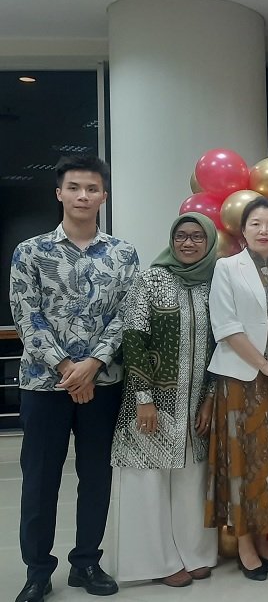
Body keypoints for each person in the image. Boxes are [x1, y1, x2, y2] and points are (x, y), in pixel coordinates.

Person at [9, 155, 138, 602]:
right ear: (59, 193)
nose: (83, 196)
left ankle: (86, 562)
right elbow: (27, 316)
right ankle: (37, 571)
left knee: (96, 476)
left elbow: (127, 315)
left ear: (103, 195)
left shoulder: (123, 254)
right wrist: (68, 368)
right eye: (75, 188)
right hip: (45, 385)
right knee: (40, 478)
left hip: (103, 384)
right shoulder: (31, 251)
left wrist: (94, 364)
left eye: (92, 188)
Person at [110, 213, 219, 587]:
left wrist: (209, 399)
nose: (188, 244)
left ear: (208, 242)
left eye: (196, 237)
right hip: (151, 403)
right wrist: (143, 398)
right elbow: (133, 339)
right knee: (149, 482)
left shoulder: (213, 283)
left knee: (192, 479)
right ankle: (156, 562)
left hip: (194, 404)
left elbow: (221, 346)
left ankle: (194, 552)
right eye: (181, 236)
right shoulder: (151, 279)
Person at [206, 197, 268, 581]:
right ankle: (246, 543)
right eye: (255, 224)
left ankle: (265, 538)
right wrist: (266, 366)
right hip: (241, 381)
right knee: (244, 460)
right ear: (242, 230)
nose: (263, 230)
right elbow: (226, 326)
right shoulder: (226, 269)